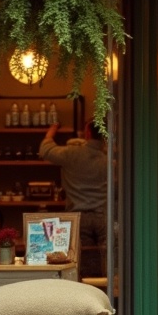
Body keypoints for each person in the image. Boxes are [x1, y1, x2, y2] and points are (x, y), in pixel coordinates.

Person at [40, 119, 108, 278]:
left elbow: (45, 150)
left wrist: (53, 128)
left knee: (83, 263)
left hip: (78, 217)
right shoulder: (108, 160)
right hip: (103, 216)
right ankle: (104, 294)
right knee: (106, 260)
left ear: (88, 133)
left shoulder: (71, 153)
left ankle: (86, 295)